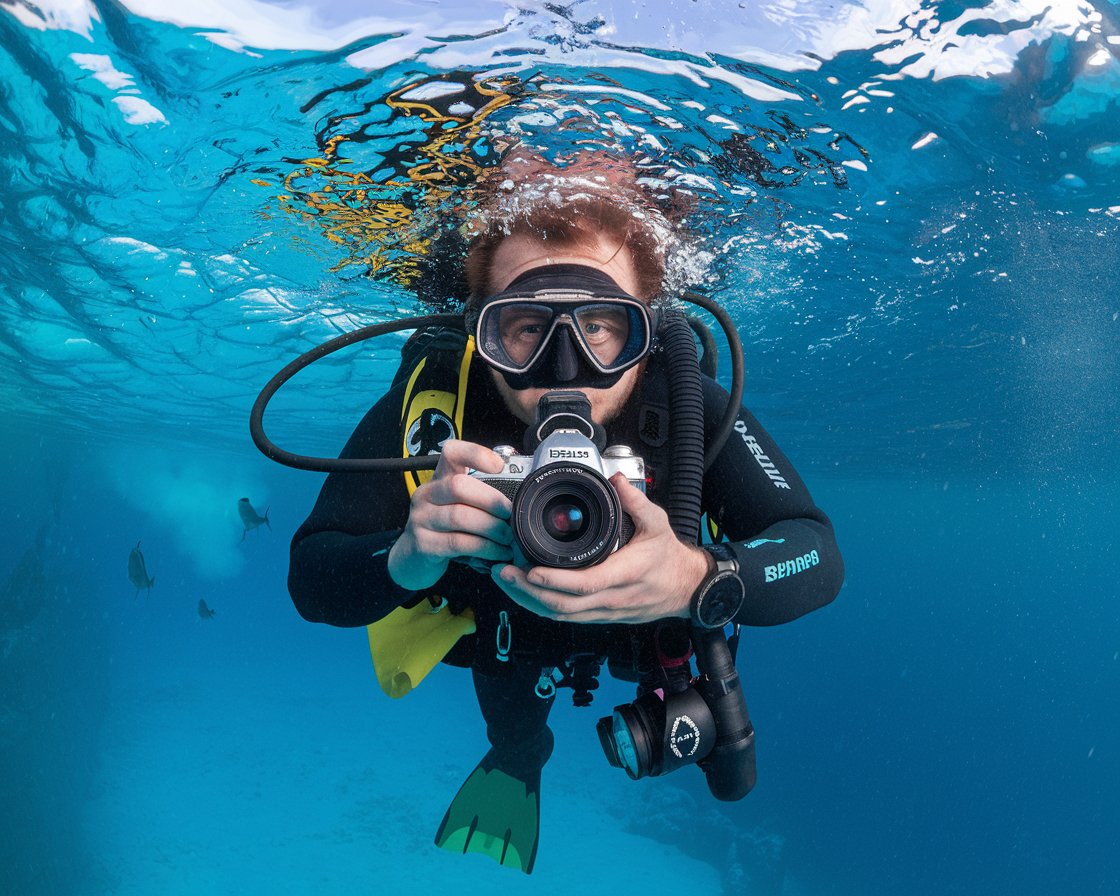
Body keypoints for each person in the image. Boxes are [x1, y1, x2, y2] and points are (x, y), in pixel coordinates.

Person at [288, 151, 844, 874]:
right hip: (502, 630)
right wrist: (408, 554)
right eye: (522, 327)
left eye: (602, 327)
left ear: (646, 330)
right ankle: (519, 756)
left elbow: (814, 551)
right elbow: (312, 578)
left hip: (645, 646)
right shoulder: (441, 401)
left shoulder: (682, 402)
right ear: (479, 334)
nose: (565, 366)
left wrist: (698, 579)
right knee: (514, 714)